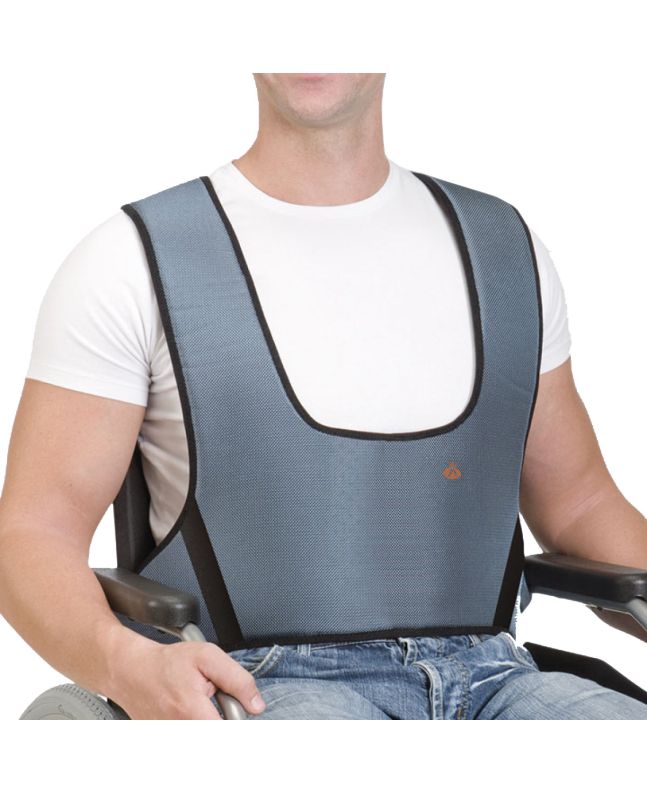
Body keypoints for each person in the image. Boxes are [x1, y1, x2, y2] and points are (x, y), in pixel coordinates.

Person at [1, 73, 646, 720]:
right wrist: (126, 664)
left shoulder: (503, 250)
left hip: (496, 678)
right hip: (258, 682)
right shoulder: (134, 258)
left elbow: (580, 502)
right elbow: (32, 531)